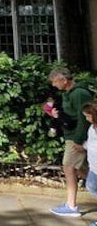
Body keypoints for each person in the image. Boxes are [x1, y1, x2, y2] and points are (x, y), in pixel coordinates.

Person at [49, 67, 92, 217]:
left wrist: (79, 140)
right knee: (83, 170)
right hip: (72, 136)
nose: (54, 85)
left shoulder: (80, 93)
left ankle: (71, 206)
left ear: (64, 80)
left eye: (55, 81)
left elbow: (84, 118)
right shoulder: (69, 94)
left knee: (69, 168)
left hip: (75, 137)